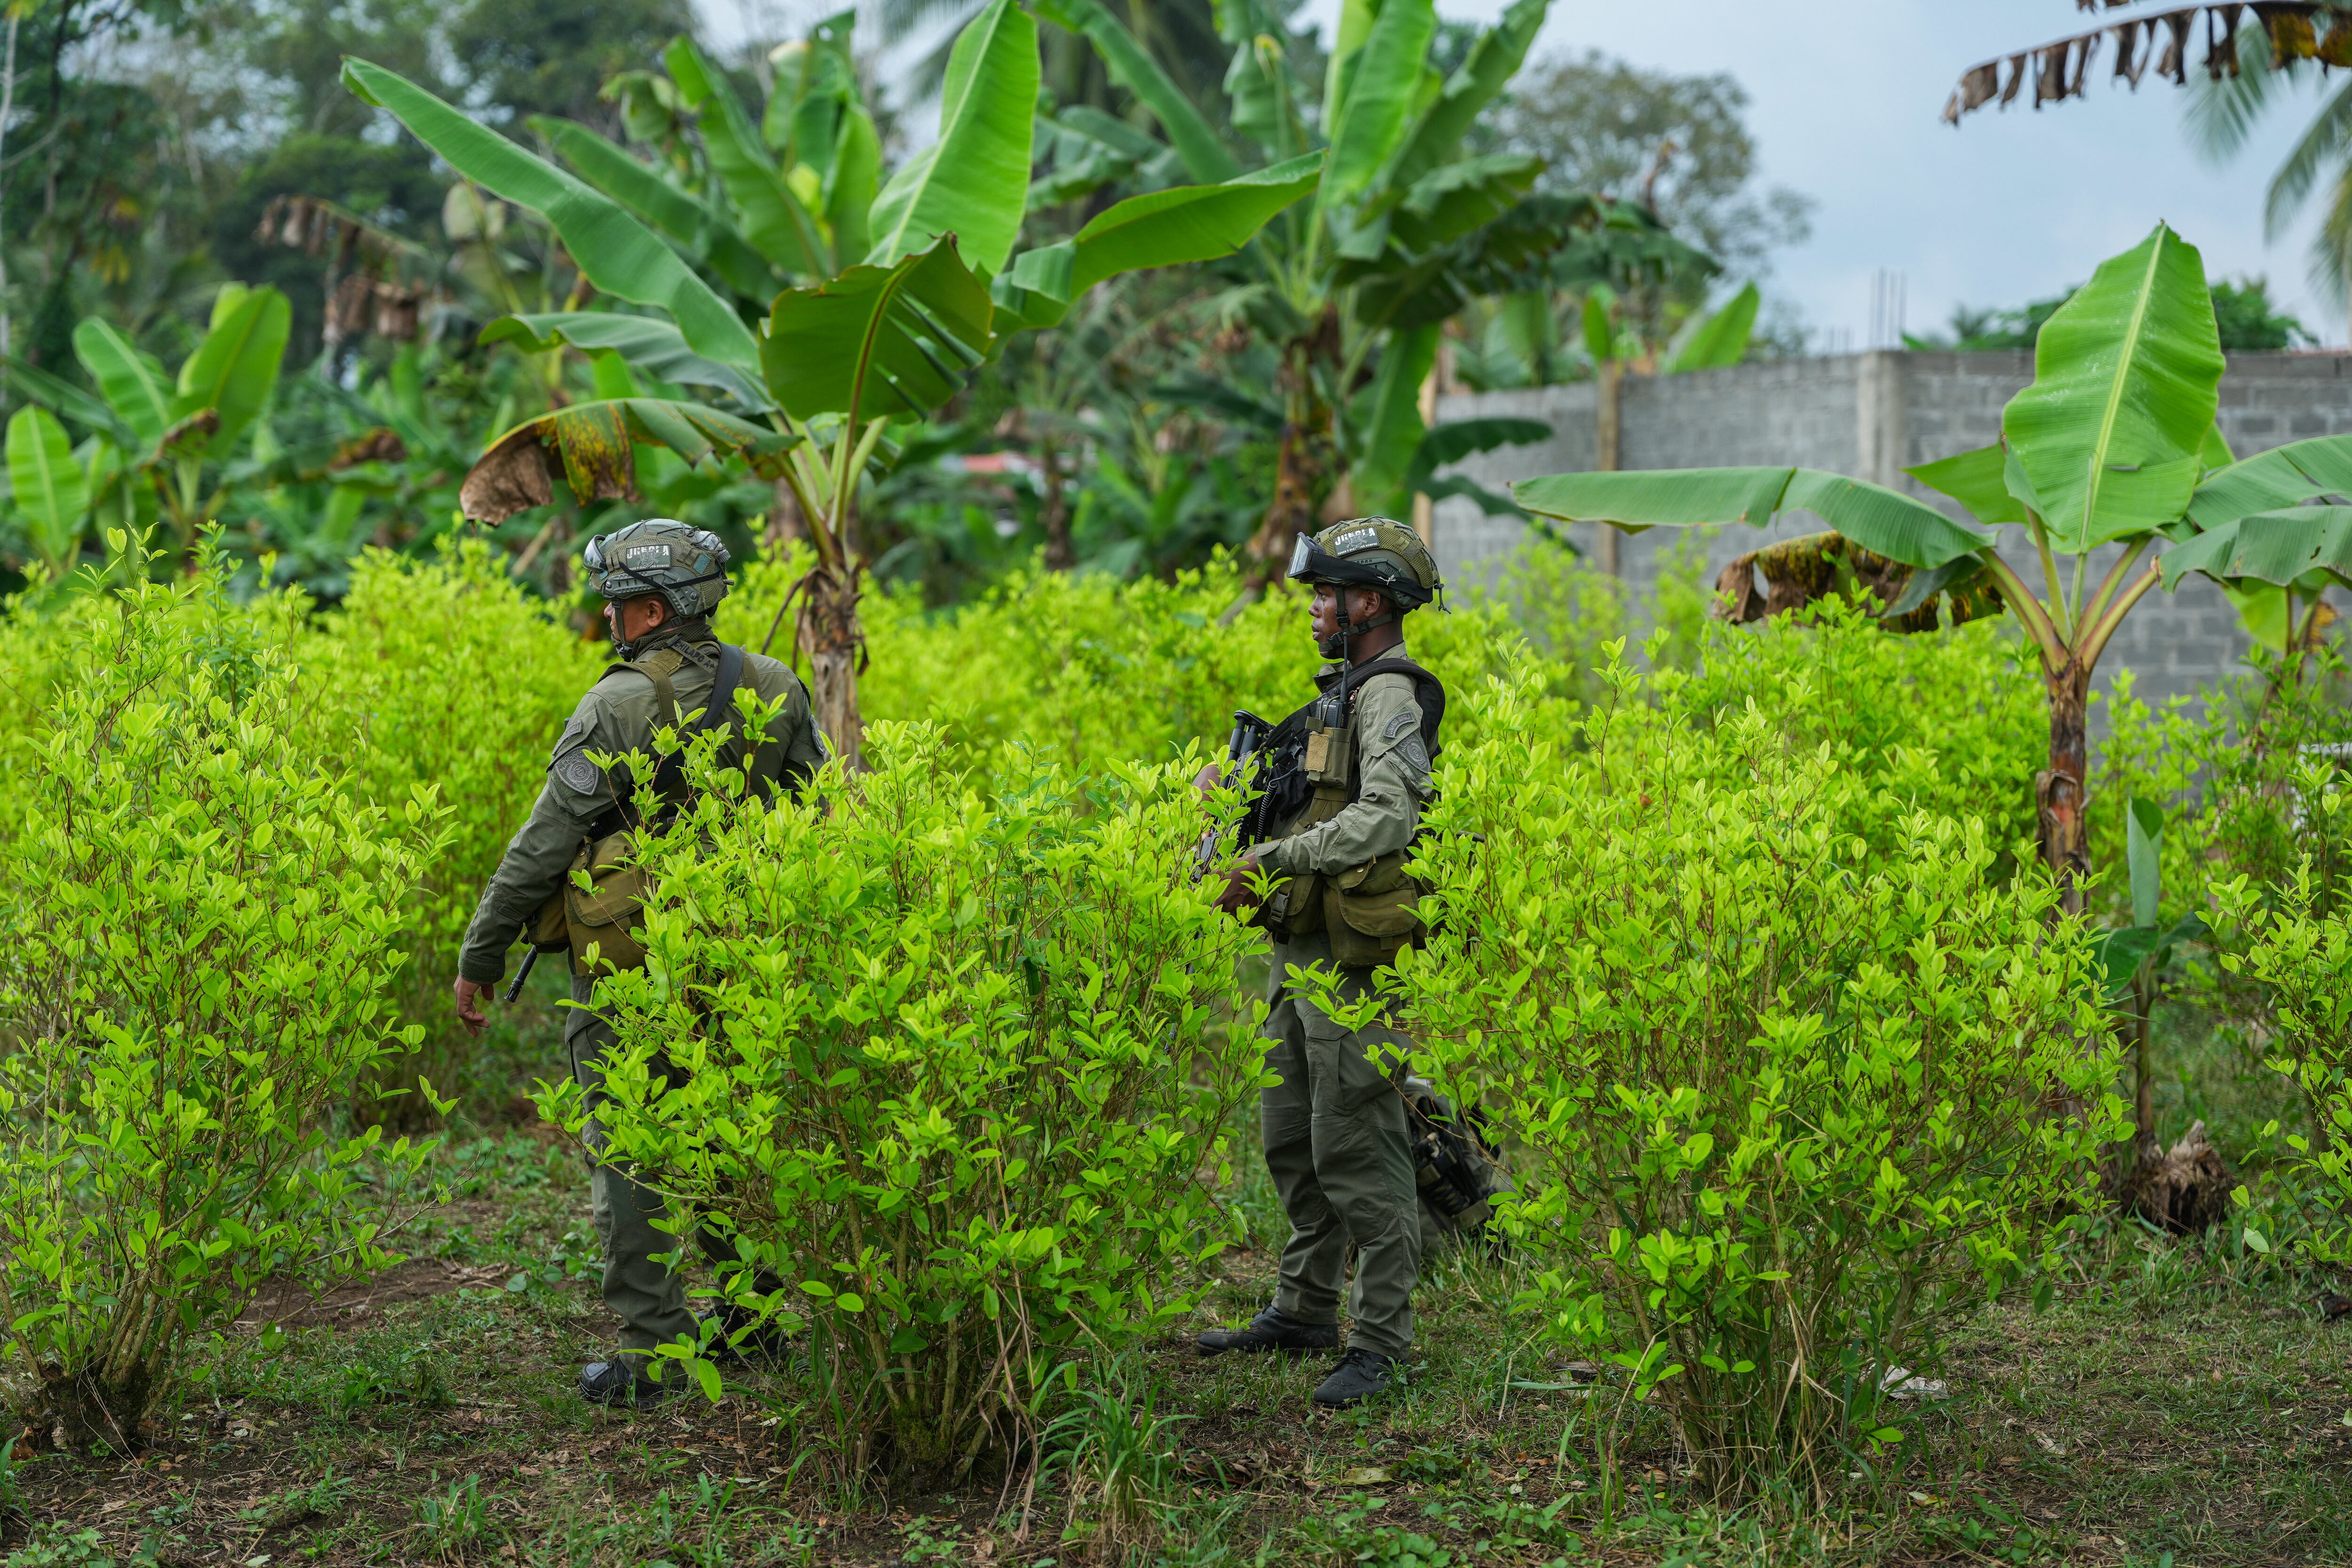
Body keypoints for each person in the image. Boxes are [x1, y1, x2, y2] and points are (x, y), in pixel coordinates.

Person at [451, 518, 828, 1409]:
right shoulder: (776, 685)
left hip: (630, 964)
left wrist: (480, 953)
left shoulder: (614, 704)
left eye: (617, 605)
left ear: (652, 608)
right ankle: (752, 1321)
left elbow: (542, 849)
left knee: (631, 1148)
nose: (609, 620)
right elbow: (825, 822)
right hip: (748, 955)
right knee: (737, 1134)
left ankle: (656, 1350)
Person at [1194, 517, 1448, 1409]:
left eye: (1325, 593)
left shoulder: (1392, 695)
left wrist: (1265, 864)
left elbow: (1389, 817)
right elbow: (1310, 801)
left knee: (1356, 1145)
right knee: (1289, 1137)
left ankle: (1380, 1340)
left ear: (1369, 600)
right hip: (1299, 950)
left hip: (1352, 961)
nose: (1312, 608)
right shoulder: (1340, 692)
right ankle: (1303, 1309)